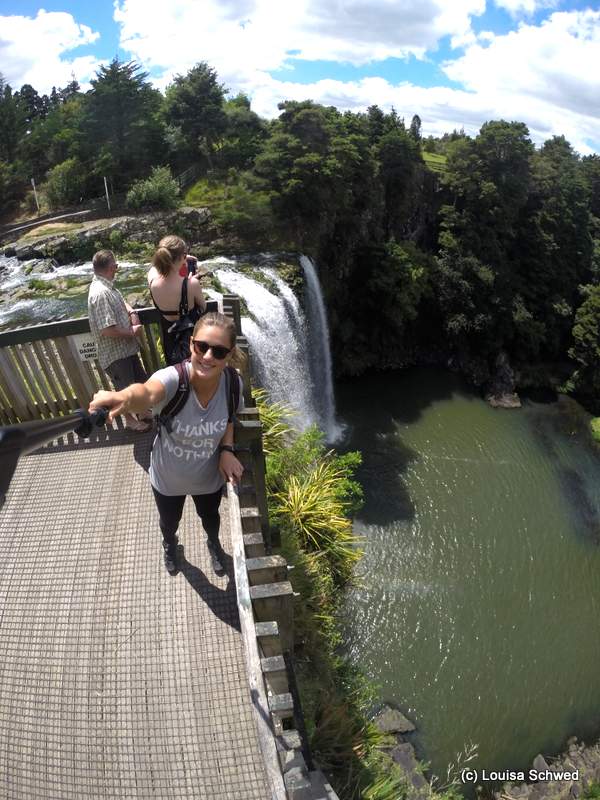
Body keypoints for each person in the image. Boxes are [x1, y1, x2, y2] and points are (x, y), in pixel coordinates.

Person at [88, 312, 245, 576]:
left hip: (207, 478)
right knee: (169, 522)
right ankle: (170, 545)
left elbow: (228, 416)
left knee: (210, 518)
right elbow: (147, 393)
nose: (208, 357)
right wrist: (123, 398)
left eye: (218, 352)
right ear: (191, 344)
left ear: (229, 355)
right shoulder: (174, 379)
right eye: (202, 347)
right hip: (167, 479)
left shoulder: (232, 384)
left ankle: (213, 543)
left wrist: (227, 450)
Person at [88, 249, 151, 432]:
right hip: (115, 355)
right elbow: (107, 330)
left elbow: (120, 301)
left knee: (138, 384)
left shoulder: (106, 286)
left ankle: (142, 413)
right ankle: (130, 421)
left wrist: (131, 311)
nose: (117, 269)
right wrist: (131, 332)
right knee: (124, 391)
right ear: (110, 268)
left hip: (125, 351)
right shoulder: (100, 293)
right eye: (116, 265)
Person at [147, 235, 206, 365]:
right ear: (182, 257)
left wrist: (181, 257)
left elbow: (153, 268)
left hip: (170, 342)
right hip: (193, 341)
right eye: (184, 255)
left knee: (178, 373)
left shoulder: (153, 282)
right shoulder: (192, 284)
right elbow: (203, 307)